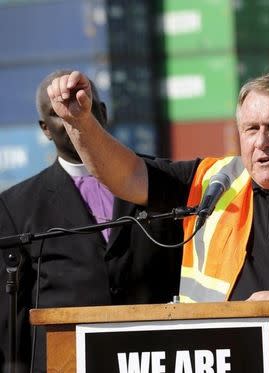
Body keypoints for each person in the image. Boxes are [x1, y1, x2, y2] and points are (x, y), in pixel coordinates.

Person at [47, 70, 269, 372]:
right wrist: (79, 122)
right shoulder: (210, 182)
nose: (261, 142)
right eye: (251, 129)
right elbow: (125, 176)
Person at [0, 70, 183, 373]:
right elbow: (10, 317)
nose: (74, 116)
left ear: (103, 112)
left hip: (155, 356)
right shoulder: (15, 206)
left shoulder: (161, 181)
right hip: (65, 362)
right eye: (60, 113)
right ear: (45, 129)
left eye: (85, 105)